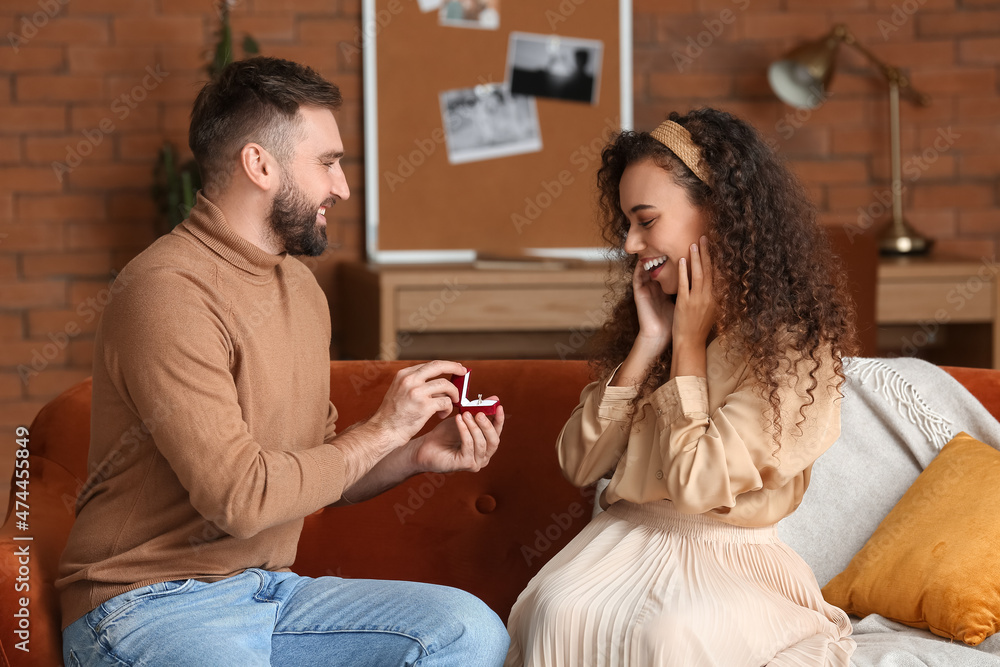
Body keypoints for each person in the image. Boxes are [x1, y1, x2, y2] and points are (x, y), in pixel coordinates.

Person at [56, 56, 510, 667]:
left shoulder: (300, 289)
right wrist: (381, 429)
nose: (342, 186)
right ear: (259, 164)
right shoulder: (167, 292)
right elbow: (241, 500)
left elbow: (312, 470)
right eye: (328, 162)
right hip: (146, 603)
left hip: (267, 593)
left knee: (468, 631)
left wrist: (411, 453)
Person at [504, 108, 859, 666]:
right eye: (625, 223)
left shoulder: (792, 351)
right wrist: (650, 343)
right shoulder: (657, 325)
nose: (628, 243)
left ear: (718, 217)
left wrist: (688, 349)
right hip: (620, 543)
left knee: (667, 634)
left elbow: (696, 486)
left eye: (646, 220)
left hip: (731, 563)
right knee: (558, 608)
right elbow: (578, 462)